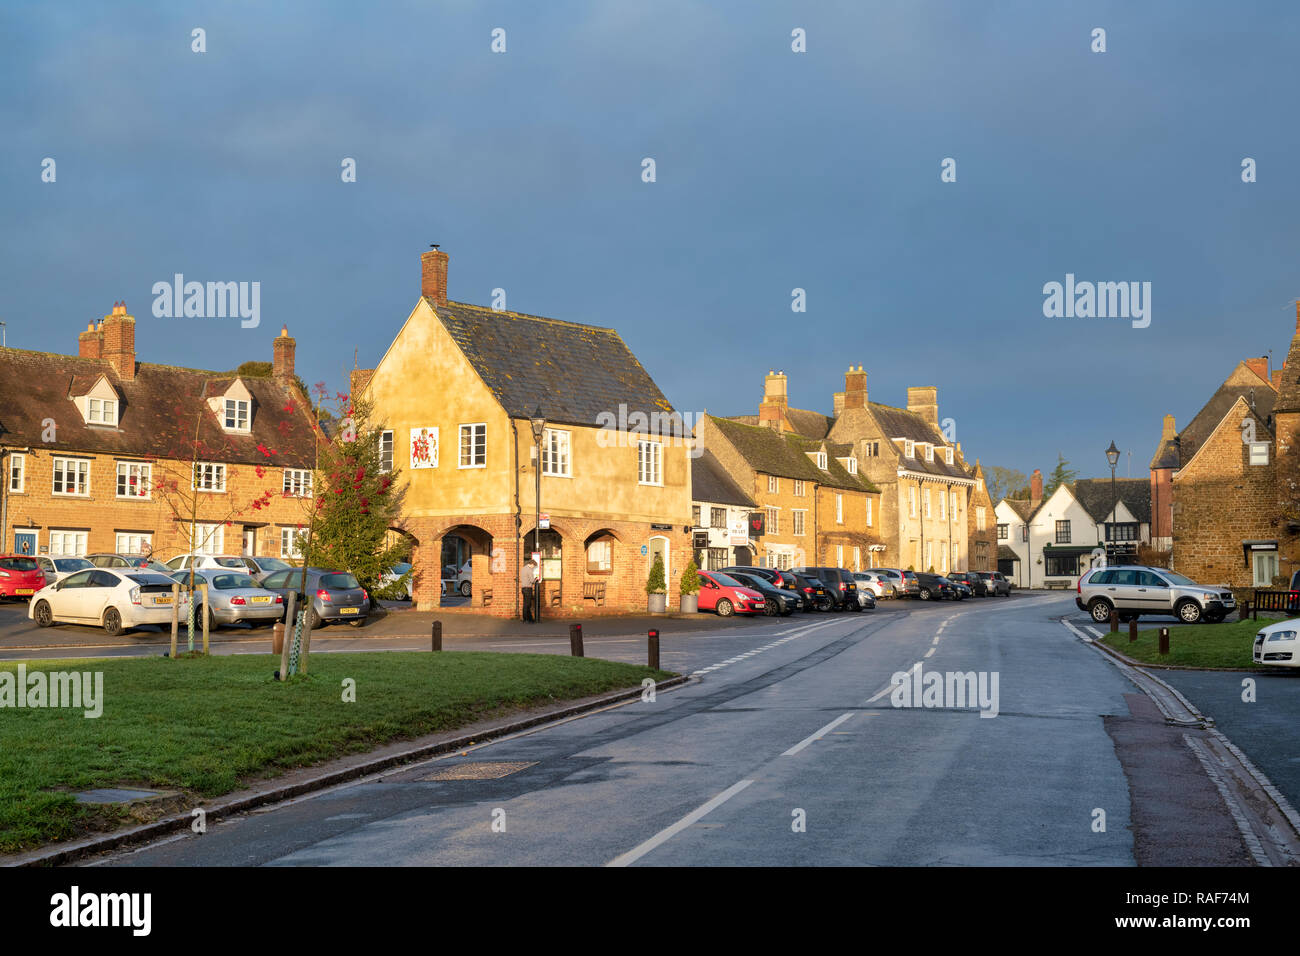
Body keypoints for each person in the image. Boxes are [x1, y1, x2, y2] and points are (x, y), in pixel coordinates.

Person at [521, 558, 538, 622]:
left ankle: (524, 618)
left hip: (523, 588)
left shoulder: (523, 568)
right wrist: (535, 579)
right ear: (531, 564)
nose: (533, 567)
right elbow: (532, 581)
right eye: (534, 566)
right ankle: (529, 619)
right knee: (528, 604)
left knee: (525, 604)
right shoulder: (529, 570)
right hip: (528, 588)